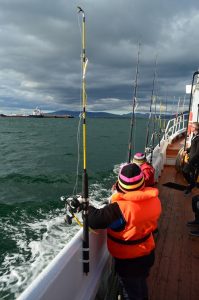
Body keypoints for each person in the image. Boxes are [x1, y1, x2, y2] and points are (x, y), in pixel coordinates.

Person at [71, 163, 162, 300]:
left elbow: (95, 220)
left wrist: (84, 206)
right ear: (142, 183)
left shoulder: (119, 209)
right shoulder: (154, 200)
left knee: (130, 293)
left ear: (120, 185)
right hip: (147, 254)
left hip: (129, 263)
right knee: (141, 284)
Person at [183, 122, 199, 195]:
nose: (190, 127)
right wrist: (187, 150)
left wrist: (191, 160)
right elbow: (192, 147)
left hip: (194, 160)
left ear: (195, 128)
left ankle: (191, 185)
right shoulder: (194, 136)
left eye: (192, 126)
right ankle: (191, 185)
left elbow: (197, 152)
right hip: (191, 158)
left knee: (185, 171)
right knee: (190, 173)